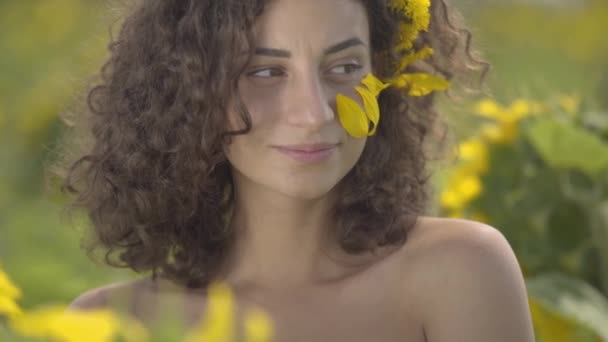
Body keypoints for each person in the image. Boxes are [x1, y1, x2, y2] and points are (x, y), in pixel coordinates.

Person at [51, 0, 535, 340]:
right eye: (265, 71)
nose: (315, 112)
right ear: (190, 92)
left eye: (344, 67)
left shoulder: (460, 271)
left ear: (384, 75)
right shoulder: (112, 324)